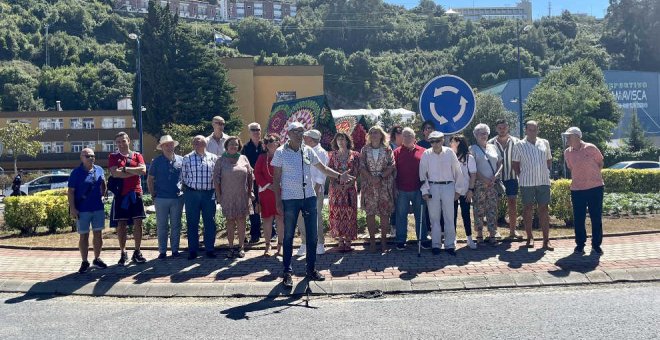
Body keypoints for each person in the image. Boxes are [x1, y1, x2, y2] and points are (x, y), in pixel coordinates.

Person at [271, 122, 354, 288]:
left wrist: (339, 176)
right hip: (290, 199)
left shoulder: (307, 151)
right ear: (289, 133)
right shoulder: (280, 152)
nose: (301, 134)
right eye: (297, 131)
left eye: (302, 131)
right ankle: (287, 272)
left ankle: (311, 269)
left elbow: (322, 168)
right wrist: (278, 201)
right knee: (288, 236)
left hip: (308, 196)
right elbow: (276, 179)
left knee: (312, 235)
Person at [420, 131, 465, 256]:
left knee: (449, 217)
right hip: (433, 187)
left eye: (437, 140)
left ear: (442, 140)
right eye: (432, 141)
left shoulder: (450, 153)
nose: (435, 143)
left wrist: (458, 190)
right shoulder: (426, 154)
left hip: (448, 187)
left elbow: (457, 171)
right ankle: (436, 244)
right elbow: (422, 174)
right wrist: (425, 190)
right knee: (434, 218)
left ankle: (450, 245)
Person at [562, 127, 604, 255]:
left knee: (595, 217)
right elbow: (571, 167)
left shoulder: (591, 148)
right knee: (578, 218)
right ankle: (580, 244)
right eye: (567, 136)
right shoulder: (567, 153)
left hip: (595, 188)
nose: (567, 139)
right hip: (577, 189)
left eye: (569, 136)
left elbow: (600, 163)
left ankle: (596, 245)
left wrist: (592, 176)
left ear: (577, 137)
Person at [512, 121, 554, 250]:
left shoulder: (544, 143)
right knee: (527, 209)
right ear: (525, 130)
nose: (532, 132)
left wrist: (545, 172)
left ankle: (546, 240)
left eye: (534, 129)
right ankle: (529, 238)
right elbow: (515, 164)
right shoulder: (519, 145)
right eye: (530, 130)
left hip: (543, 181)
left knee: (544, 209)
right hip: (527, 182)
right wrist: (522, 175)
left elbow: (549, 160)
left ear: (538, 130)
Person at [108, 132, 147, 265]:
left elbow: (143, 171)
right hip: (121, 194)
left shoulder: (137, 155)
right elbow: (115, 173)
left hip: (136, 193)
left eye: (123, 141)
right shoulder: (113, 157)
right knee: (121, 225)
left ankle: (137, 251)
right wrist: (133, 170)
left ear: (128, 141)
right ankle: (123, 252)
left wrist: (124, 169)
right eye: (118, 142)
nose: (121, 144)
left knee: (138, 223)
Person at [68, 148, 107, 273]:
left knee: (98, 235)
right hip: (82, 210)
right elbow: (71, 192)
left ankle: (97, 258)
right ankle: (85, 261)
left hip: (97, 208)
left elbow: (103, 184)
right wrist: (73, 208)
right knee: (84, 236)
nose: (91, 158)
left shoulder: (99, 170)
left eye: (93, 155)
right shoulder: (76, 173)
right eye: (87, 156)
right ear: (81, 157)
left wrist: (103, 195)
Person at [214, 136, 254, 259]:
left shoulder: (243, 158)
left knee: (242, 222)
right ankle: (231, 247)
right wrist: (219, 196)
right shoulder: (220, 160)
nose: (233, 146)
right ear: (226, 146)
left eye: (236, 144)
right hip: (228, 197)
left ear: (239, 146)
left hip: (242, 196)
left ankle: (241, 247)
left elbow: (250, 176)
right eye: (231, 144)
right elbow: (216, 180)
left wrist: (250, 191)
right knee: (230, 223)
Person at [147, 135, 184, 259]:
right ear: (161, 147)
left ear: (174, 145)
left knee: (176, 225)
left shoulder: (181, 160)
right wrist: (153, 195)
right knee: (162, 226)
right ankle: (162, 251)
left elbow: (185, 177)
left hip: (177, 198)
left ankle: (175, 250)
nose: (169, 147)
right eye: (166, 145)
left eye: (170, 144)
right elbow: (150, 180)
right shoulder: (156, 161)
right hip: (161, 198)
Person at [182, 135, 218, 259]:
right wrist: (192, 187)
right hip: (192, 194)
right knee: (192, 222)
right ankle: (193, 250)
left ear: (205, 143)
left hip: (209, 194)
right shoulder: (187, 158)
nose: (198, 143)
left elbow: (217, 176)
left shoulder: (213, 158)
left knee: (210, 222)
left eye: (201, 141)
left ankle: (210, 249)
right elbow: (183, 176)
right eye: (196, 142)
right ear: (193, 144)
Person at [359, 126, 395, 252]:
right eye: (371, 133)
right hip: (369, 186)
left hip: (384, 184)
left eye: (376, 133)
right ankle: (373, 241)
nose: (374, 135)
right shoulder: (365, 149)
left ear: (381, 135)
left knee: (384, 214)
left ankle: (384, 241)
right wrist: (371, 178)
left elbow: (391, 166)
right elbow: (361, 166)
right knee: (370, 213)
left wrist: (379, 177)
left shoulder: (387, 149)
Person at [393, 127, 429, 250]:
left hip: (418, 189)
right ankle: (401, 240)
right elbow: (393, 172)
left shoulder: (424, 151)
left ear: (415, 138)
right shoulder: (396, 152)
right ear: (402, 138)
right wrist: (394, 188)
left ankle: (423, 239)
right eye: (405, 136)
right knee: (401, 216)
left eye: (410, 135)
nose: (407, 138)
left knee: (420, 216)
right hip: (401, 189)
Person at [296, 129, 329, 256]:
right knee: (300, 216)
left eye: (306, 137)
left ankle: (319, 243)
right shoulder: (303, 150)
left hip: (315, 190)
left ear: (311, 139)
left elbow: (321, 174)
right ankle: (304, 243)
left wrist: (314, 191)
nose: (303, 139)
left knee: (316, 216)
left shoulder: (321, 152)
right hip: (301, 189)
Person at [488, 119, 523, 240]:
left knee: (512, 203)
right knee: (494, 205)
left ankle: (513, 231)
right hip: (496, 179)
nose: (502, 130)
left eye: (504, 127)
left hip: (512, 177)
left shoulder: (517, 142)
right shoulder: (490, 143)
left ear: (508, 128)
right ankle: (495, 231)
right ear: (496, 128)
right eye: (500, 128)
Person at [327, 132, 360, 252]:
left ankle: (348, 241)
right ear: (335, 142)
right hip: (336, 190)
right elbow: (329, 171)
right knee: (337, 214)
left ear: (347, 140)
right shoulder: (331, 155)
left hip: (350, 189)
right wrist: (336, 184)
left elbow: (357, 172)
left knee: (350, 213)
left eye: (343, 139)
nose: (340, 141)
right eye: (338, 139)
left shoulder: (355, 155)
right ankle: (340, 241)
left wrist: (349, 185)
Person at [471, 124, 503, 245]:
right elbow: (472, 168)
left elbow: (500, 163)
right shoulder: (472, 149)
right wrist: (484, 179)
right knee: (479, 209)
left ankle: (492, 234)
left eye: (485, 133)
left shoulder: (493, 147)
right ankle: (479, 234)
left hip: (493, 184)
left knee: (492, 209)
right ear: (475, 135)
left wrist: (496, 175)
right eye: (480, 133)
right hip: (479, 184)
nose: (483, 135)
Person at [254, 133, 285, 256]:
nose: (273, 144)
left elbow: (287, 172)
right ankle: (267, 245)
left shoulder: (283, 156)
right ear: (266, 145)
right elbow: (257, 173)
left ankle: (280, 245)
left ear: (279, 143)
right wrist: (268, 185)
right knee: (267, 220)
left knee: (280, 219)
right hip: (266, 192)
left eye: (275, 141)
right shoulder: (262, 158)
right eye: (270, 142)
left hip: (281, 192)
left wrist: (278, 186)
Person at [446, 134, 478, 249]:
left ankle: (469, 239)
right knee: (451, 215)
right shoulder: (449, 156)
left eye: (452, 141)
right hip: (451, 191)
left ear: (458, 143)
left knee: (465, 215)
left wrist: (470, 190)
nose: (450, 144)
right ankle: (452, 238)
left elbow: (473, 175)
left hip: (465, 191)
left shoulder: (469, 158)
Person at [242, 122, 265, 244]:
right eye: (253, 130)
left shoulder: (265, 146)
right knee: (254, 209)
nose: (256, 132)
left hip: (266, 182)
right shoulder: (245, 148)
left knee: (267, 207)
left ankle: (271, 233)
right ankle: (255, 234)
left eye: (258, 129)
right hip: (252, 182)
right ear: (249, 132)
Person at [388, 125, 404, 236]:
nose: (402, 136)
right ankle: (393, 227)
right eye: (399, 133)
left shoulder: (406, 145)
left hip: (403, 179)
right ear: (395, 135)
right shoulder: (389, 147)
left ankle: (401, 227)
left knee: (401, 205)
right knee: (392, 204)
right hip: (390, 178)